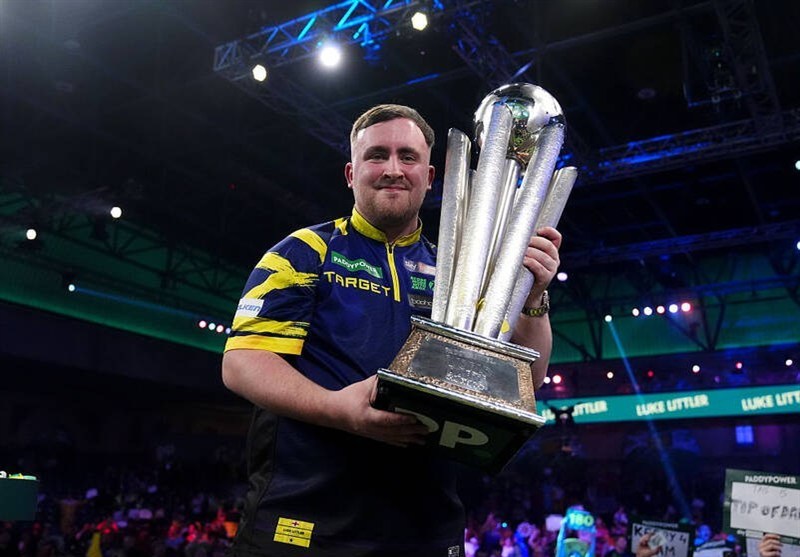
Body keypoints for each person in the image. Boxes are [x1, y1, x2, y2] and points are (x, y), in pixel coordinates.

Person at [221, 104, 563, 556]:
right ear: (351, 173)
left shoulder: (459, 275)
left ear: (430, 175)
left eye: (408, 157)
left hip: (426, 532)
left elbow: (527, 381)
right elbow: (242, 363)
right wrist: (338, 409)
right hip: (305, 526)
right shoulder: (304, 252)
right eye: (377, 155)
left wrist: (533, 297)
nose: (393, 169)